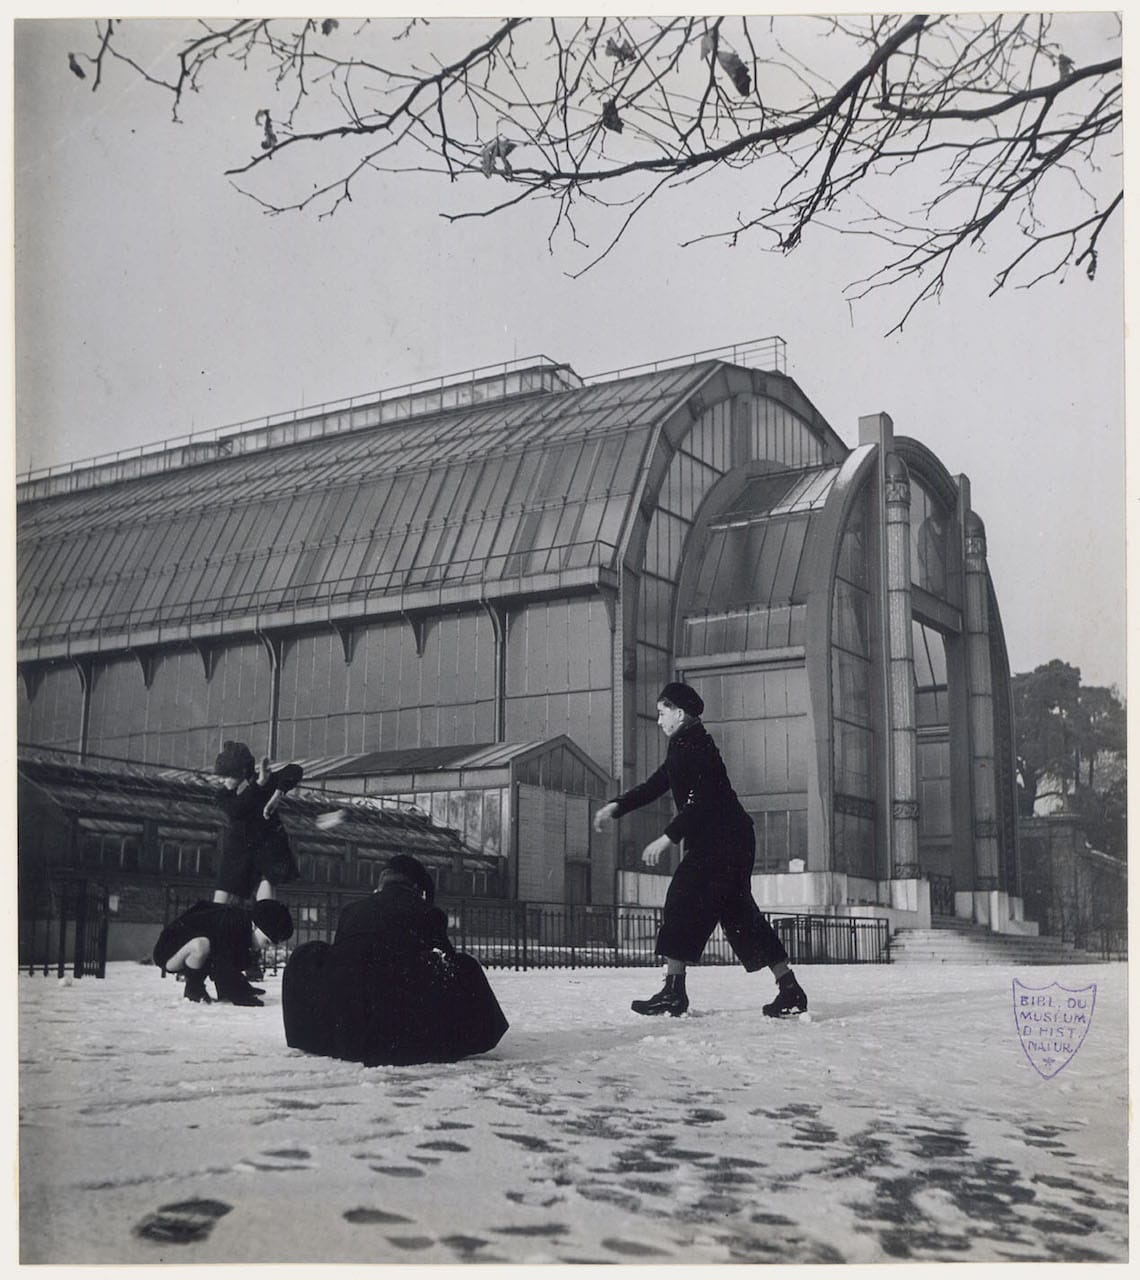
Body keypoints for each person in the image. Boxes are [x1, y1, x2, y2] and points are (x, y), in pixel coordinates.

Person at [594, 681, 808, 1019]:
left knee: (681, 899)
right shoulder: (684, 744)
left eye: (662, 713)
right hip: (728, 841)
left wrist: (668, 837)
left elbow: (702, 802)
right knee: (739, 914)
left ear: (679, 714)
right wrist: (616, 806)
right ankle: (790, 988)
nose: (658, 720)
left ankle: (674, 992)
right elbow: (655, 785)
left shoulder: (698, 748)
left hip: (723, 842)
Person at [282, 854, 509, 1067]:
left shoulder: (352, 910)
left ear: (383, 880)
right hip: (400, 1037)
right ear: (416, 887)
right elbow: (447, 966)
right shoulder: (427, 912)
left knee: (311, 954)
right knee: (462, 966)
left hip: (345, 1034)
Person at [152, 898, 294, 1006]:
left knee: (209, 946)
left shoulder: (242, 925)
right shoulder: (233, 923)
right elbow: (221, 965)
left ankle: (219, 987)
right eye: (267, 942)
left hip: (185, 948)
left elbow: (230, 962)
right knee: (201, 945)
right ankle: (193, 988)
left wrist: (241, 986)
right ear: (256, 926)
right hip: (169, 953)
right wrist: (238, 996)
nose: (266, 948)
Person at [212, 740, 303, 904]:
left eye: (227, 776)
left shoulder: (265, 780)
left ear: (241, 771)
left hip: (265, 849)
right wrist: (259, 784)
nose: (222, 781)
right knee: (220, 899)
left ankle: (264, 924)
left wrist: (277, 795)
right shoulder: (223, 795)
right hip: (239, 851)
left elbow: (294, 770)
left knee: (266, 892)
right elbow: (236, 810)